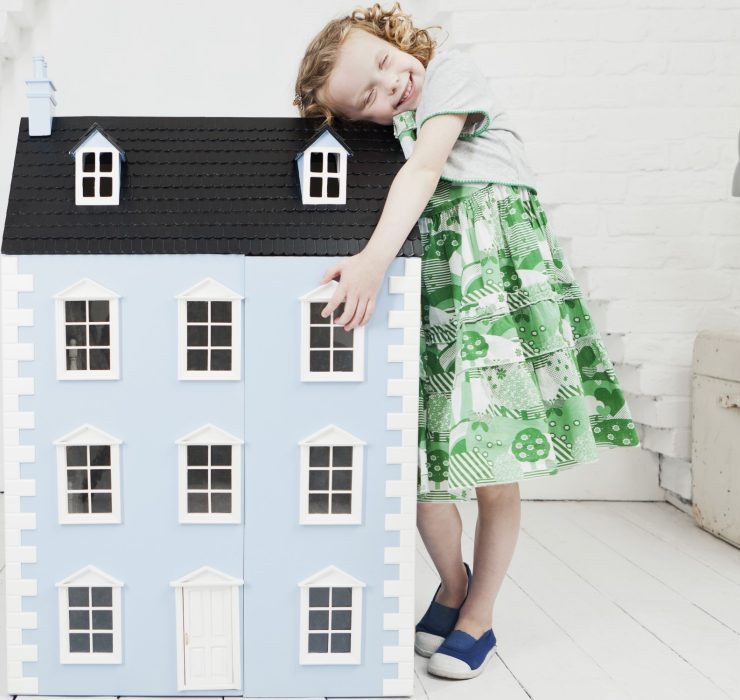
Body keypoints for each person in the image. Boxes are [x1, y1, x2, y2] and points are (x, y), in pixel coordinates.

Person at [292, 1, 642, 681]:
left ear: (396, 39)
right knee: (423, 467)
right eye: (369, 93)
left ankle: (479, 613)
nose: (392, 83)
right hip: (441, 299)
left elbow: (425, 172)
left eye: (387, 62)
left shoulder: (450, 74)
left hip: (497, 293)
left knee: (493, 464)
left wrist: (371, 262)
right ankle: (452, 583)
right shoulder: (393, 127)